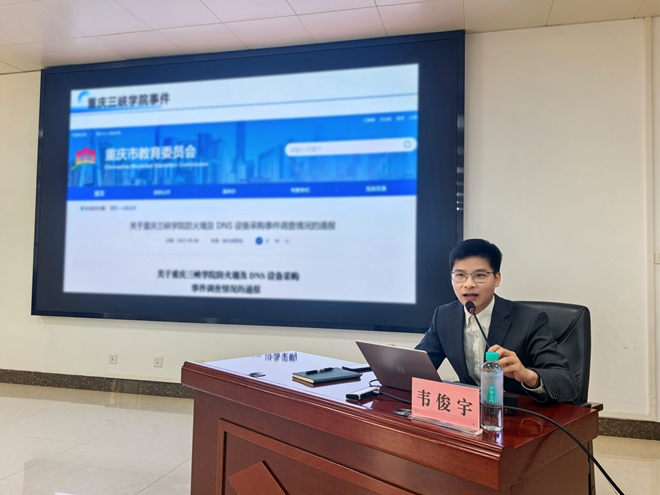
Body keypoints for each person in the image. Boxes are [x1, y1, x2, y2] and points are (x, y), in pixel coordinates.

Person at [415, 238, 578, 403]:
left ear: (497, 278)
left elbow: (567, 382)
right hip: (468, 409)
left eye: (479, 275)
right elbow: (417, 368)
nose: (468, 284)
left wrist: (527, 375)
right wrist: (398, 363)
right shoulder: (444, 316)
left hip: (520, 411)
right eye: (460, 275)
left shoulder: (529, 320)